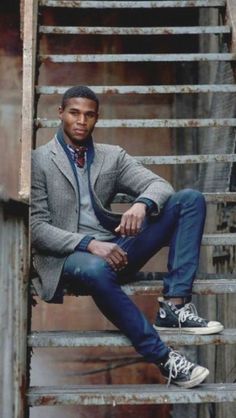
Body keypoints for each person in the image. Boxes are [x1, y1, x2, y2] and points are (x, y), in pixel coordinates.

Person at [31, 85, 223, 389]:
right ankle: (165, 359)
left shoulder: (111, 157)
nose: (81, 120)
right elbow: (38, 229)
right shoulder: (38, 161)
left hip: (116, 249)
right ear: (61, 114)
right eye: (74, 113)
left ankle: (174, 304)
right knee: (95, 268)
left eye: (89, 115)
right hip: (69, 258)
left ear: (97, 119)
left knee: (189, 199)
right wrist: (90, 244)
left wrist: (141, 205)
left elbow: (160, 185)